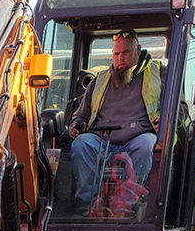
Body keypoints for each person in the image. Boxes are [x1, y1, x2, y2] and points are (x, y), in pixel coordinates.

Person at [68, 28, 162, 210]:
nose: (121, 58)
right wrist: (76, 124)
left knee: (147, 146)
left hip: (137, 138)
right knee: (81, 144)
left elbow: (180, 108)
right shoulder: (100, 80)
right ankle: (89, 204)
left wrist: (166, 121)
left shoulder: (158, 74)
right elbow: (81, 114)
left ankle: (126, 204)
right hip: (102, 140)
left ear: (138, 50)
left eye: (126, 52)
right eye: (116, 54)